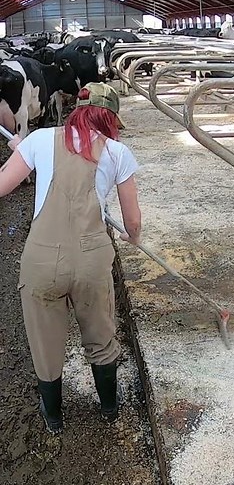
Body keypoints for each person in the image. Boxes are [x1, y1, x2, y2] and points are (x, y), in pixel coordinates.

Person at [0, 82, 141, 434]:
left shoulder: (39, 140)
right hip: (92, 260)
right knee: (100, 335)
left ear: (76, 110)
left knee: (45, 342)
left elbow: (3, 186)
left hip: (42, 260)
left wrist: (21, 150)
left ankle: (54, 418)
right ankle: (109, 408)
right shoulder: (117, 153)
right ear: (110, 119)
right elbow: (133, 220)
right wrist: (131, 237)